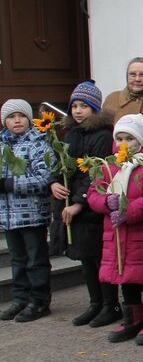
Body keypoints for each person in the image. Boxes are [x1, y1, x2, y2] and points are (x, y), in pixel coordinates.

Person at [87, 114, 143, 344]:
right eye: (120, 138)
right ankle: (132, 319)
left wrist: (128, 211)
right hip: (115, 234)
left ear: (141, 141)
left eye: (130, 139)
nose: (124, 144)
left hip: (140, 233)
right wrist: (106, 203)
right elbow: (94, 192)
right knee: (126, 277)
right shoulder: (109, 165)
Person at [51, 81, 122, 327]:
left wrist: (80, 202)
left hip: (91, 205)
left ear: (94, 108)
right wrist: (54, 183)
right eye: (74, 106)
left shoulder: (102, 135)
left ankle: (110, 304)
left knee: (99, 257)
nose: (78, 111)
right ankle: (95, 302)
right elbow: (61, 164)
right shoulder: (70, 135)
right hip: (73, 203)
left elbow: (96, 173)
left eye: (84, 106)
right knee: (85, 259)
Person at [0, 99, 53, 322]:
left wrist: (9, 184)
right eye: (11, 117)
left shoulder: (38, 144)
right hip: (8, 216)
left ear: (29, 119)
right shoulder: (2, 146)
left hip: (31, 215)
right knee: (17, 259)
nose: (17, 120)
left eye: (21, 116)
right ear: (5, 122)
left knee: (35, 259)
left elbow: (44, 178)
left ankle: (39, 300)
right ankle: (20, 298)